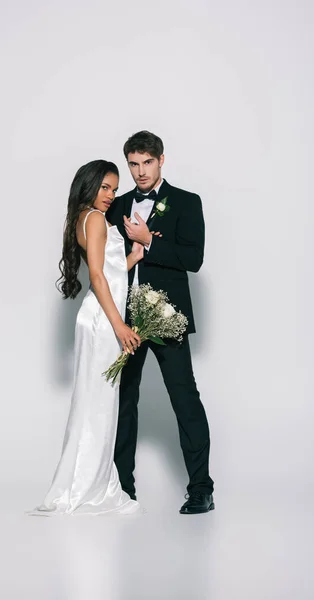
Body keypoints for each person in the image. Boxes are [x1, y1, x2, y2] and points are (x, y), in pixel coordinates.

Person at [28, 159, 151, 516]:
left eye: (114, 188)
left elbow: (109, 273)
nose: (111, 195)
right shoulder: (95, 218)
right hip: (101, 319)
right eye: (105, 188)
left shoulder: (82, 217)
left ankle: (88, 482)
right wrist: (120, 326)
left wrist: (133, 256)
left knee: (97, 400)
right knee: (98, 403)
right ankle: (88, 488)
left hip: (97, 315)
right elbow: (97, 277)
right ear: (89, 185)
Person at [107, 131, 215, 514]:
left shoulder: (186, 202)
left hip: (166, 316)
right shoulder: (115, 205)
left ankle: (201, 488)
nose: (140, 171)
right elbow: (104, 263)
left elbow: (193, 257)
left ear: (161, 160)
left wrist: (146, 240)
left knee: (184, 398)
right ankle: (122, 488)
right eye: (133, 164)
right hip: (125, 319)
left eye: (147, 163)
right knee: (123, 400)